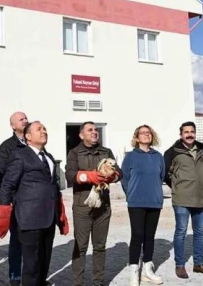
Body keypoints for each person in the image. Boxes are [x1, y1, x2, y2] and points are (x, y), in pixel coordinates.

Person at [0, 121, 69, 286]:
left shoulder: (48, 157)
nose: (44, 131)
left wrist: (60, 213)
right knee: (31, 265)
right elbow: (7, 185)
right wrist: (3, 213)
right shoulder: (20, 155)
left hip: (49, 218)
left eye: (45, 128)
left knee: (44, 261)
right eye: (39, 129)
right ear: (28, 136)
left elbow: (53, 186)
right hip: (29, 219)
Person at [65, 121, 121, 286]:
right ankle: (78, 283)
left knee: (100, 246)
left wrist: (113, 176)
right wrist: (89, 177)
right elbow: (70, 175)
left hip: (103, 207)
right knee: (80, 247)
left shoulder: (106, 152)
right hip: (83, 207)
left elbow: (120, 172)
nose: (95, 132)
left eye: (96, 129)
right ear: (81, 135)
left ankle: (98, 282)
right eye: (90, 130)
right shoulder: (75, 153)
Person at [163, 121, 203, 279]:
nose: (189, 134)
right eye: (186, 132)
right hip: (182, 198)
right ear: (181, 134)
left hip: (200, 197)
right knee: (181, 232)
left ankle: (198, 264)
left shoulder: (202, 150)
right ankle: (180, 265)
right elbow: (165, 174)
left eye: (192, 131)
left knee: (199, 232)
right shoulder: (172, 151)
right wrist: (177, 187)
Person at [120, 125, 165, 286]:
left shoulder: (158, 156)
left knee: (149, 236)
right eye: (143, 133)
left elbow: (161, 176)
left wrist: (154, 192)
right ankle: (134, 271)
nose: (146, 135)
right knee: (137, 235)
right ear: (137, 137)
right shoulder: (130, 156)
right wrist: (131, 194)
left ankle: (147, 270)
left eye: (148, 132)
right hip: (136, 202)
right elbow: (124, 178)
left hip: (154, 201)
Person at [0, 111, 28, 286]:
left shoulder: (34, 143)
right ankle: (15, 276)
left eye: (26, 118)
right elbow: (1, 174)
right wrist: (4, 202)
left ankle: (32, 275)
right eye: (21, 119)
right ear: (13, 126)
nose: (25, 121)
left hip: (34, 200)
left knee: (33, 241)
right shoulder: (7, 147)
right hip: (16, 200)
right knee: (17, 240)